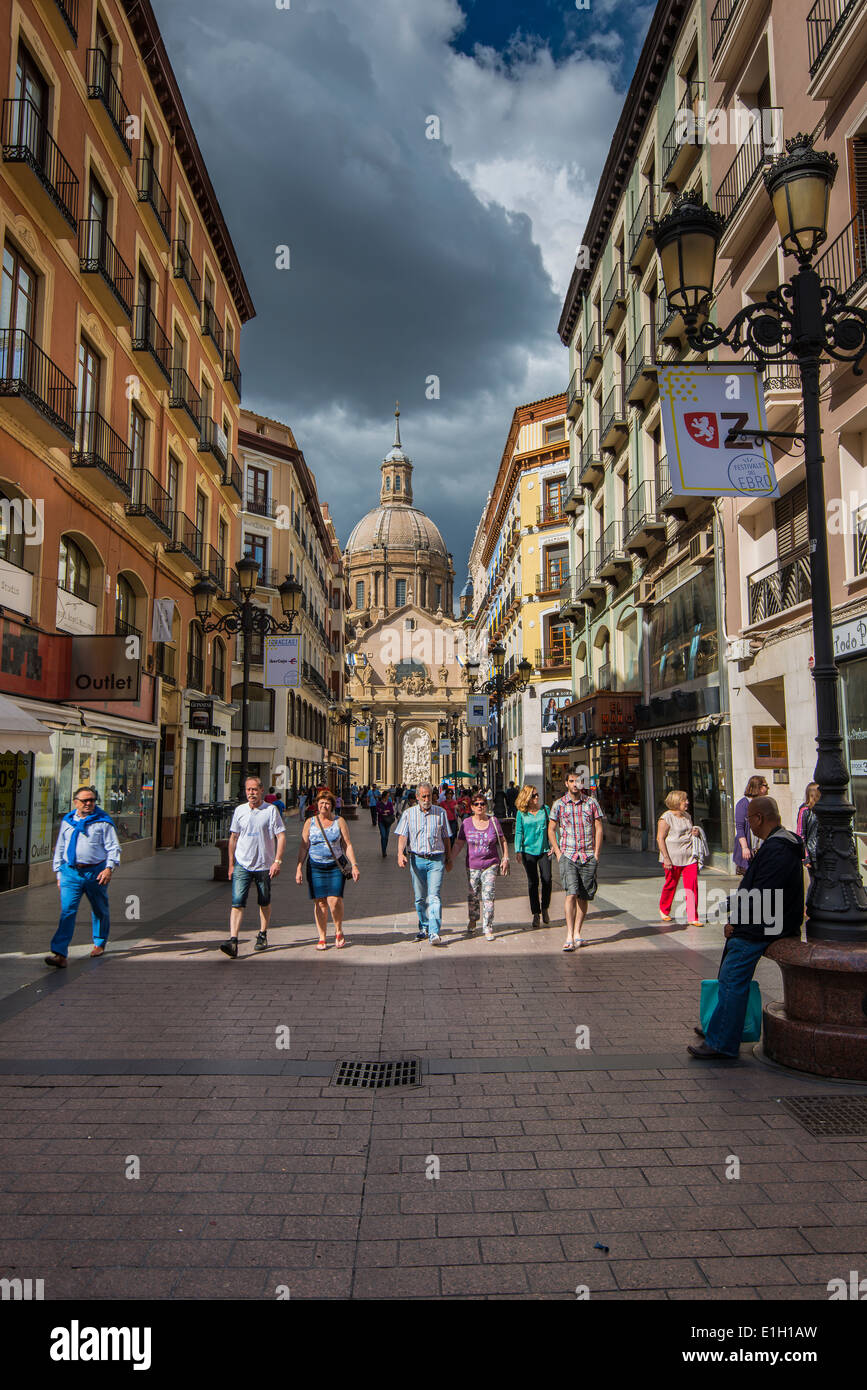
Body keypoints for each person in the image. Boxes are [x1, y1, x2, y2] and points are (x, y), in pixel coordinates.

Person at [689, 796, 804, 1059]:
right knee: (729, 975)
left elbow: (762, 895)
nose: (748, 824)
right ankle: (719, 1028)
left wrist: (738, 925)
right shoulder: (779, 844)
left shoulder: (777, 849)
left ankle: (721, 1043)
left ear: (760, 818)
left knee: (732, 978)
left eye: (749, 819)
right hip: (767, 923)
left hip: (764, 927)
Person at [44, 787, 121, 967]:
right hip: (70, 872)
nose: (89, 804)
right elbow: (61, 847)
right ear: (75, 802)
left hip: (96, 872)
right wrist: (59, 872)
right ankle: (60, 953)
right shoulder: (68, 821)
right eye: (85, 800)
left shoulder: (103, 822)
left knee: (99, 908)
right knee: (67, 911)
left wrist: (109, 869)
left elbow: (113, 847)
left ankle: (100, 942)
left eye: (92, 800)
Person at [220, 776, 286, 958]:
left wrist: (277, 861)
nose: (251, 793)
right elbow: (233, 838)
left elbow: (281, 837)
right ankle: (233, 940)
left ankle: (263, 934)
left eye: (254, 790)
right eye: (249, 790)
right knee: (237, 901)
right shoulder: (240, 810)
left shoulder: (271, 811)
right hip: (242, 863)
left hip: (264, 865)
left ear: (261, 791)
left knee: (264, 901)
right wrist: (231, 864)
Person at [296, 787, 360, 949]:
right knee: (320, 902)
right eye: (321, 803)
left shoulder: (339, 822)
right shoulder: (309, 822)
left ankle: (338, 930)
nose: (324, 806)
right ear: (317, 805)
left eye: (327, 803)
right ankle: (322, 936)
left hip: (335, 866)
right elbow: (304, 847)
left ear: (332, 805)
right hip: (315, 866)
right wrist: (298, 867)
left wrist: (354, 865)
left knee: (334, 900)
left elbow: (347, 844)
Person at [548, 771, 604, 951]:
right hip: (569, 855)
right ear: (566, 783)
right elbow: (551, 829)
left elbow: (598, 828)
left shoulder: (591, 803)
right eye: (571, 781)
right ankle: (569, 935)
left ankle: (578, 933)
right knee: (571, 893)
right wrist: (558, 852)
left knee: (583, 895)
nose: (574, 784)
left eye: (578, 781)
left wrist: (596, 854)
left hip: (587, 855)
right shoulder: (559, 805)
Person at [396, 781, 452, 945]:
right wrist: (400, 853)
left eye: (429, 796)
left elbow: (446, 837)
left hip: (436, 859)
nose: (427, 799)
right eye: (424, 796)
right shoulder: (408, 813)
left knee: (434, 896)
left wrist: (448, 858)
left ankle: (434, 932)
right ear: (417, 797)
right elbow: (402, 835)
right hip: (416, 859)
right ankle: (424, 926)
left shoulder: (440, 813)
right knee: (420, 898)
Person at [452, 792, 509, 940]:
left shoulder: (493, 821)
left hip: (490, 863)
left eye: (482, 804)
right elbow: (459, 843)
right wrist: (450, 858)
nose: (480, 806)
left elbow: (502, 840)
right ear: (471, 807)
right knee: (473, 895)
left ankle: (488, 926)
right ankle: (473, 919)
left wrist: (505, 858)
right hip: (472, 865)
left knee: (488, 894)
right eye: (476, 804)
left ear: (486, 806)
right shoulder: (466, 823)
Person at [657, 790, 702, 926]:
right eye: (684, 800)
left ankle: (692, 916)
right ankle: (664, 909)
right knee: (671, 884)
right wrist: (666, 858)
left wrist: (695, 832)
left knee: (692, 885)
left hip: (689, 857)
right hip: (672, 857)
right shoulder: (666, 818)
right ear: (676, 802)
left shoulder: (687, 816)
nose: (687, 802)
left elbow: (689, 833)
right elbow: (660, 838)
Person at [514, 784, 552, 928]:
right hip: (528, 851)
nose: (537, 798)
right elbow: (519, 832)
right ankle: (536, 913)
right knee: (533, 882)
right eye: (534, 795)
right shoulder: (521, 813)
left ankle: (545, 907)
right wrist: (518, 850)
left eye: (537, 795)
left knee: (547, 879)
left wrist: (555, 844)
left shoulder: (545, 810)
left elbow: (551, 828)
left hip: (544, 850)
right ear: (527, 798)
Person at [733, 775, 768, 875]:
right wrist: (744, 848)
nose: (767, 788)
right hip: (749, 850)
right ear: (759, 787)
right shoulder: (743, 804)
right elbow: (740, 828)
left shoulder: (764, 803)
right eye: (766, 785)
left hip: (761, 849)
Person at [796, 782, 820, 879]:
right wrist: (805, 857)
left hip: (824, 851)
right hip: (813, 853)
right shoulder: (805, 810)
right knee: (815, 883)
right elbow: (800, 835)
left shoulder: (821, 810)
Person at [376, 789, 396, 858]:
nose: (388, 797)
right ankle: (383, 851)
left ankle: (384, 849)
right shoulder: (379, 803)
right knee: (383, 836)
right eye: (387, 796)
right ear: (384, 796)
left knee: (386, 837)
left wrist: (385, 812)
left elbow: (392, 811)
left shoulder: (389, 803)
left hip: (388, 821)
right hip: (381, 821)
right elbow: (378, 810)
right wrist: (384, 811)